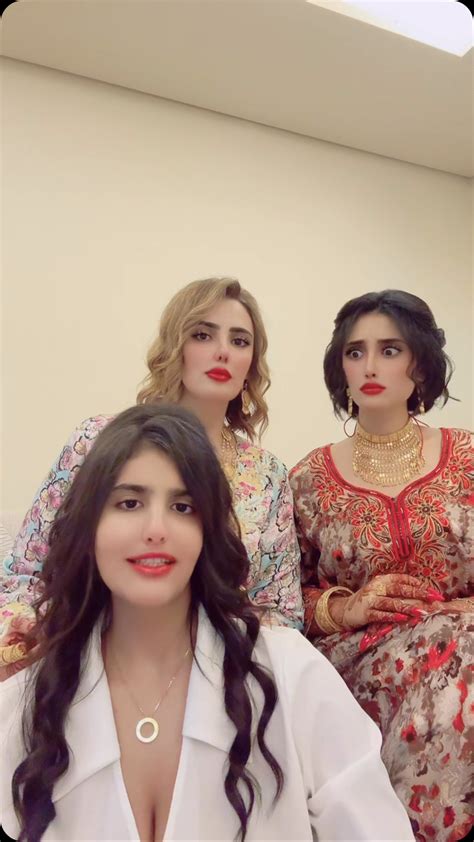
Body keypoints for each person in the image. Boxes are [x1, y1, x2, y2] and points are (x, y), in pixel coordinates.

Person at [0, 404, 415, 842]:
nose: (156, 528)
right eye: (129, 502)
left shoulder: (292, 674)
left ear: (208, 530)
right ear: (90, 527)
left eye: (182, 506)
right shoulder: (19, 706)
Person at [0, 278, 303, 677]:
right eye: (202, 335)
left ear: (252, 363)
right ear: (174, 346)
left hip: (214, 673)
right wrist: (36, 631)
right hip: (86, 661)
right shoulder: (98, 441)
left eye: (240, 341)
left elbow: (283, 614)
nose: (223, 352)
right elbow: (24, 574)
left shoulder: (267, 476)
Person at [289, 290, 473, 842]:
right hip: (357, 668)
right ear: (340, 369)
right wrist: (345, 608)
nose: (370, 366)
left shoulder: (468, 459)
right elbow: (281, 601)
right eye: (355, 352)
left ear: (421, 366)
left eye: (389, 350)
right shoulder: (307, 481)